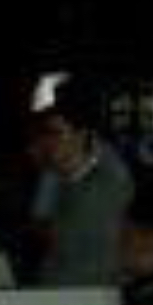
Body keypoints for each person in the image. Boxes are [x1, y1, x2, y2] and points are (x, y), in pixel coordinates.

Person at [24, 79, 135, 288]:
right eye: (45, 134)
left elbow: (62, 237)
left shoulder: (108, 181)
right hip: (56, 286)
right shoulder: (56, 174)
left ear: (81, 134)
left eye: (56, 133)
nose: (48, 142)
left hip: (91, 289)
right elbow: (40, 223)